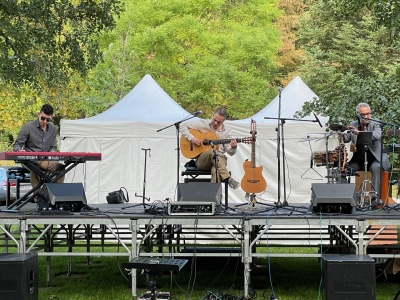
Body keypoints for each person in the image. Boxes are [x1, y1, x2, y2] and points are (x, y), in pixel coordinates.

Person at [180, 107, 240, 189]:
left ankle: (214, 199)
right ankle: (228, 177)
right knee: (213, 151)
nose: (215, 123)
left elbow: (230, 152)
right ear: (212, 115)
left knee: (216, 170)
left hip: (219, 161)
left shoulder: (227, 131)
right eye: (214, 119)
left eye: (219, 122)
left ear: (223, 121)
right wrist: (191, 138)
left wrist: (234, 147)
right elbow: (182, 125)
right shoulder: (202, 124)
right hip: (203, 161)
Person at [344, 102, 390, 201]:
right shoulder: (353, 124)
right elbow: (346, 138)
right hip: (359, 160)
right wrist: (340, 133)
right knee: (343, 171)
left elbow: (376, 136)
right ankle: (345, 198)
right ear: (358, 115)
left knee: (376, 168)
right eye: (363, 114)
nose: (366, 116)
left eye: (368, 113)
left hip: (375, 159)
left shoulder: (376, 123)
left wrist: (359, 133)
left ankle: (374, 199)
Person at [13, 104, 65, 189]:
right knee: (34, 167)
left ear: (51, 117)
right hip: (29, 159)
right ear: (38, 114)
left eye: (48, 119)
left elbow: (53, 146)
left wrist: (52, 153)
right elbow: (17, 145)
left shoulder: (53, 128)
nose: (45, 121)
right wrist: (19, 151)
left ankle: (56, 193)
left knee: (61, 168)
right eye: (43, 118)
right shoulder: (28, 127)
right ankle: (37, 196)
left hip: (44, 160)